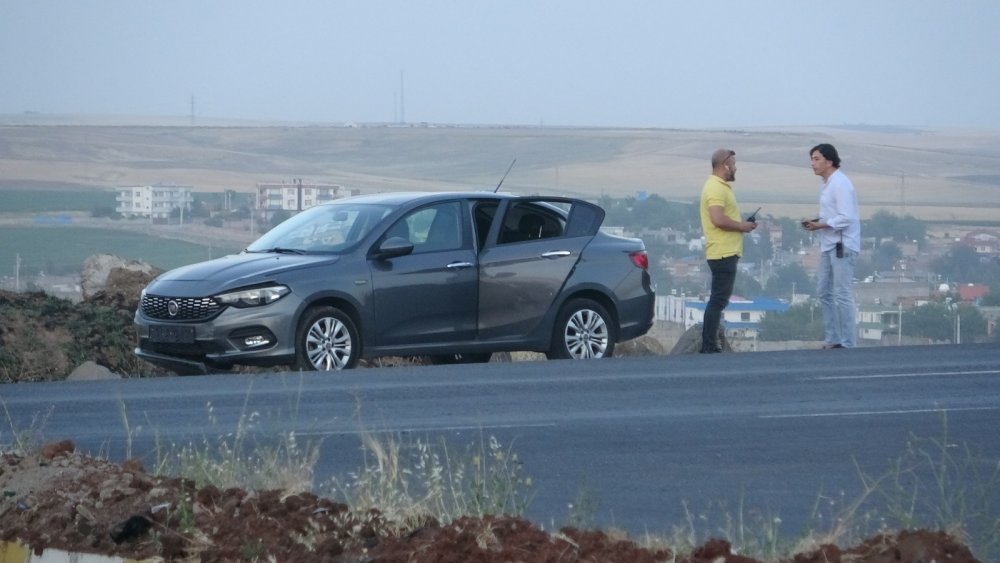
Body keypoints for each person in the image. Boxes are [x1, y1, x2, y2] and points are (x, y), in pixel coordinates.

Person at [699, 148, 757, 353]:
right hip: (723, 251)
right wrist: (741, 226)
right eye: (733, 163)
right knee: (719, 299)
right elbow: (717, 219)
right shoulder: (715, 188)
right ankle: (708, 344)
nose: (735, 167)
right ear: (724, 164)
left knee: (718, 298)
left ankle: (709, 343)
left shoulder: (719, 186)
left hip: (725, 250)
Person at [802, 143, 861, 349]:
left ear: (829, 161)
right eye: (812, 159)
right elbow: (832, 215)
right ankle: (833, 337)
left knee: (841, 293)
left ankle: (848, 341)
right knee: (823, 292)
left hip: (842, 244)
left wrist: (822, 224)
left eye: (816, 159)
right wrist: (817, 222)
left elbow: (846, 217)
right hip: (828, 244)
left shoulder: (841, 183)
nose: (813, 164)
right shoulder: (827, 184)